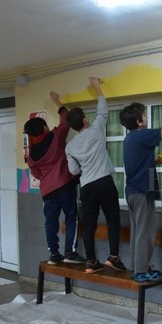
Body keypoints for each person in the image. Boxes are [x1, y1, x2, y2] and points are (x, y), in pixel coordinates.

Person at [65, 76, 126, 274]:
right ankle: (113, 257)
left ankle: (91, 262)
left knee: (89, 225)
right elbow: (103, 110)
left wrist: (85, 165)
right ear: (85, 120)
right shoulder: (96, 130)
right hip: (105, 182)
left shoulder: (70, 146)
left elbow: (74, 171)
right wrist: (97, 88)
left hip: (87, 187)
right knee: (112, 219)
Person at [119, 89, 162, 282]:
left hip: (132, 192)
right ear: (139, 122)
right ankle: (141, 271)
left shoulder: (130, 139)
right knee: (145, 233)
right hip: (142, 192)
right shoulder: (142, 135)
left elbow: (138, 164)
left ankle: (137, 268)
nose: (147, 118)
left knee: (138, 232)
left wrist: (158, 161)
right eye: (145, 115)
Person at [24, 92, 85, 265]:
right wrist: (57, 102)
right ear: (45, 127)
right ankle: (70, 253)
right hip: (64, 185)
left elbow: (36, 174)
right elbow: (66, 119)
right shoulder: (56, 137)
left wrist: (46, 175)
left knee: (50, 222)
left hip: (47, 192)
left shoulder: (31, 154)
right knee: (71, 217)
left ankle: (54, 254)